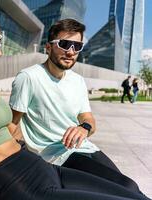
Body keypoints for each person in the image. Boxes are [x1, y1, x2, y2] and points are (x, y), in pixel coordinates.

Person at [0, 7, 150, 200]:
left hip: (40, 167)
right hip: (22, 185)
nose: (0, 52)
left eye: (0, 42)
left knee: (131, 189)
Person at [9, 19, 142, 192]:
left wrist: (84, 128)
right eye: (64, 44)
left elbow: (88, 119)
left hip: (85, 148)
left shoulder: (78, 80)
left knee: (131, 187)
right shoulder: (28, 77)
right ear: (48, 47)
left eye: (77, 46)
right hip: (56, 157)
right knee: (125, 189)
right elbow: (11, 124)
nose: (71, 52)